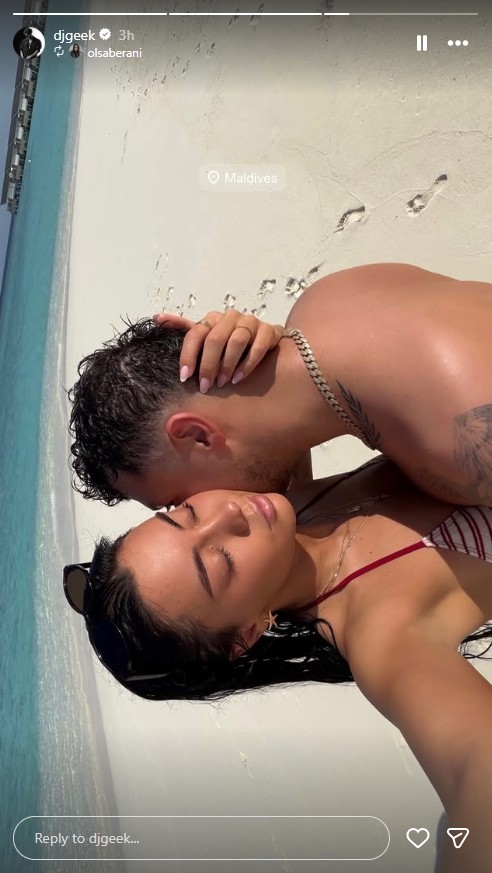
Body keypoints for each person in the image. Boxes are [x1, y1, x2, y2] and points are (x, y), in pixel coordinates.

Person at [64, 455, 492, 872]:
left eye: (185, 514)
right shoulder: (379, 635)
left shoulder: (287, 496)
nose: (228, 514)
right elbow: (476, 768)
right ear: (249, 633)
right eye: (221, 561)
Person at [69, 263, 492, 512]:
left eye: (178, 501)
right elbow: (288, 477)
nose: (199, 512)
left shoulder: (463, 449)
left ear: (197, 435)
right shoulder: (326, 299)